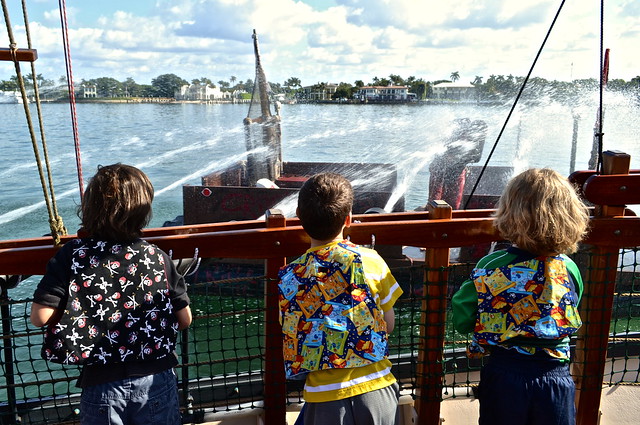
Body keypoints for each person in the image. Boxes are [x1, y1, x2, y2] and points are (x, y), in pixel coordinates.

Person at [30, 163, 193, 425]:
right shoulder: (157, 257)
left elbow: (40, 316)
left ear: (90, 208)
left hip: (102, 383)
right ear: (144, 210)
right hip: (157, 380)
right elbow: (184, 320)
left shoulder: (72, 255)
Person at [451, 168, 590, 425]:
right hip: (556, 377)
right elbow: (569, 305)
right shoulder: (569, 268)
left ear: (509, 213)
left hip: (505, 374)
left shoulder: (490, 265)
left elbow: (463, 318)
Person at [278, 172, 403, 425]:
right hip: (378, 388)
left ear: (299, 217)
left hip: (323, 397)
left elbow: (292, 330)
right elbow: (387, 325)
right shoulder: (371, 260)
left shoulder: (288, 277)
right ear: (348, 219)